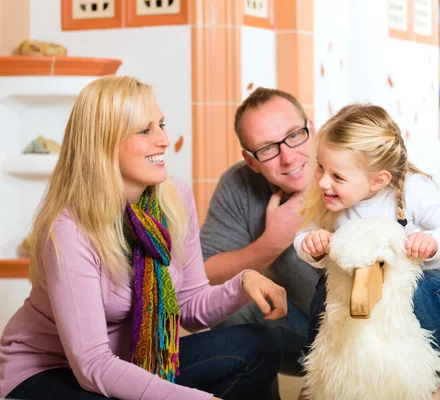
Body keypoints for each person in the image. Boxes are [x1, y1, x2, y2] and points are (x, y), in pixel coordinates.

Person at [0, 76, 287, 400]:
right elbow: (93, 366)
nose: (163, 140)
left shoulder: (174, 199)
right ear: (104, 141)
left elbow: (190, 308)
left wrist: (243, 283)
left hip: (132, 362)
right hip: (51, 373)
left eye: (161, 125)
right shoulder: (70, 230)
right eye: (145, 130)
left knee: (258, 346)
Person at [294, 104, 440, 400]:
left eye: (337, 176)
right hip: (365, 296)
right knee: (325, 288)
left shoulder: (413, 190)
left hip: (436, 290)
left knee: (420, 288)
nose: (324, 181)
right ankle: (317, 371)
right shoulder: (333, 202)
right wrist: (311, 245)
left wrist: (434, 242)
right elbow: (302, 237)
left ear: (379, 180)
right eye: (320, 167)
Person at [200, 88, 320, 376]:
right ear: (251, 160)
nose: (288, 158)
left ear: (311, 130)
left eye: (294, 135)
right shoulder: (238, 184)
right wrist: (270, 244)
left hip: (368, 332)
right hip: (302, 333)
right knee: (230, 302)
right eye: (267, 149)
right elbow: (204, 276)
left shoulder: (350, 167)